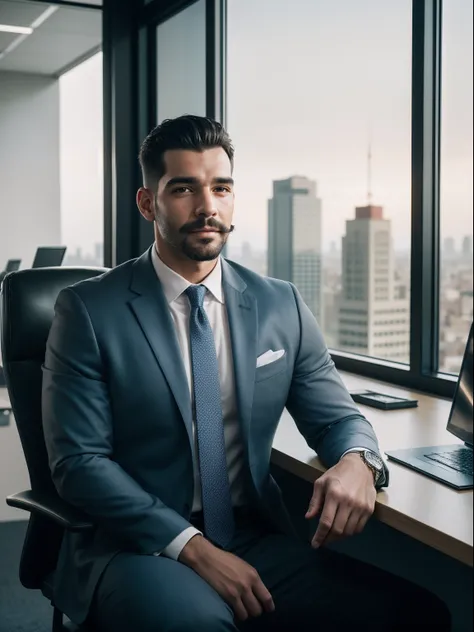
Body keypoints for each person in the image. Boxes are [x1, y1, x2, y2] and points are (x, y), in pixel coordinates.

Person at [42, 115, 451, 632]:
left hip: (252, 536)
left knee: (417, 615)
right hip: (136, 545)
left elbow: (336, 417)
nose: (207, 206)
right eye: (184, 188)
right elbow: (79, 463)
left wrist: (359, 459)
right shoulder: (88, 310)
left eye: (221, 187)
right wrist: (190, 547)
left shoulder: (279, 303)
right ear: (149, 203)